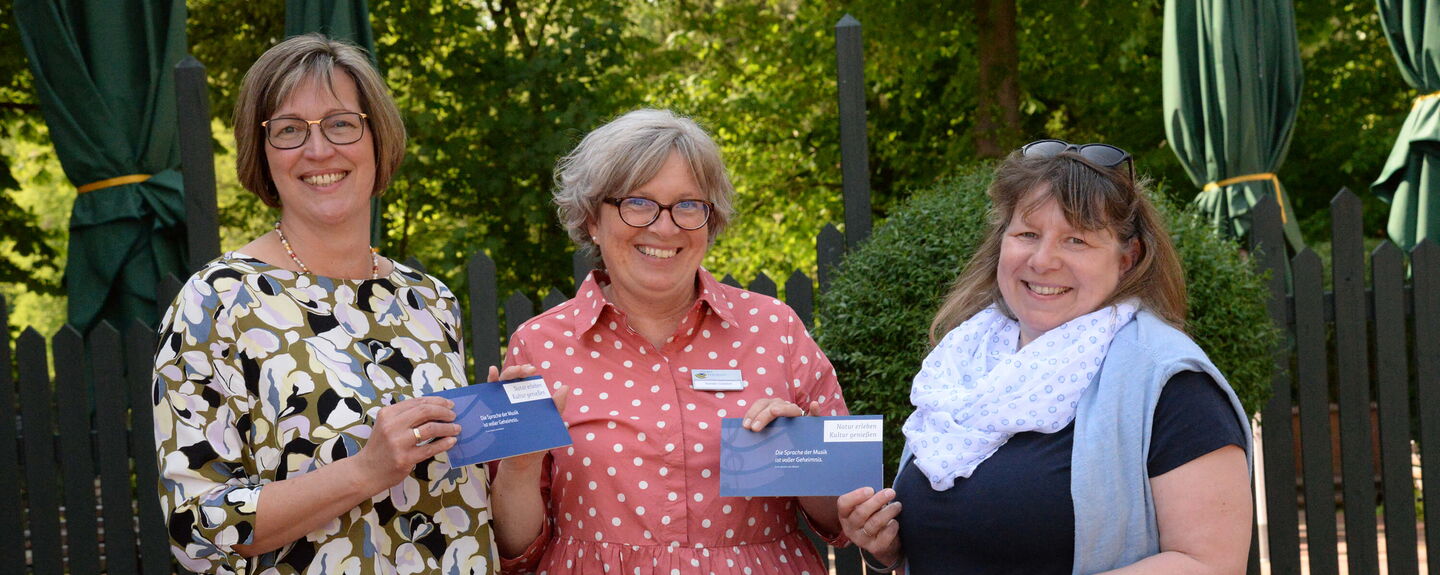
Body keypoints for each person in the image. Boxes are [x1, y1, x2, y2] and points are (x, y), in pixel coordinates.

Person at [153, 34, 501, 575]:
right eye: (289, 130)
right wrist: (365, 469)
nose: (319, 151)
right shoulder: (215, 302)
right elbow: (197, 529)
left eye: (341, 123)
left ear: (376, 138)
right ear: (261, 154)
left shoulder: (428, 299)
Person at [837, 140, 1253, 574]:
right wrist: (886, 548)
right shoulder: (962, 362)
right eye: (1027, 235)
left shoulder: (1169, 381)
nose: (1043, 259)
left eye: (1076, 240)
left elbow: (1209, 563)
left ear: (1128, 259)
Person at [489, 108, 850, 574]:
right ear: (592, 220)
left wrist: (807, 452)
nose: (664, 227)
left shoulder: (774, 329)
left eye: (688, 205)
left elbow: (843, 517)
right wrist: (518, 467)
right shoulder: (540, 345)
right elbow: (517, 550)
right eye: (637, 202)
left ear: (709, 220)